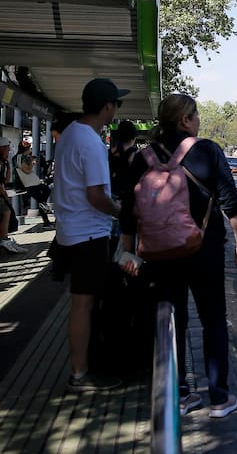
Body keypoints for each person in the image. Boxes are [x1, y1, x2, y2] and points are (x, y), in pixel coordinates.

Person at [118, 93, 237, 419]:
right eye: (196, 115)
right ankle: (219, 398)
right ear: (185, 120)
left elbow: (128, 211)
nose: (199, 120)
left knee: (171, 322)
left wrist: (126, 251)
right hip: (204, 250)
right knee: (213, 320)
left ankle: (180, 395)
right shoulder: (206, 151)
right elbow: (231, 202)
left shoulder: (142, 158)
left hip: (159, 254)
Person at [53, 77, 126, 392]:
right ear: (107, 107)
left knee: (83, 303)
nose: (116, 110)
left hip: (71, 231)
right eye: (116, 104)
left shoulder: (71, 133)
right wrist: (120, 210)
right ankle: (80, 374)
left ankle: (83, 366)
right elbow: (96, 196)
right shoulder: (91, 142)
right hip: (88, 236)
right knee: (83, 304)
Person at [14, 139, 54, 227]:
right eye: (29, 148)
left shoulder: (24, 157)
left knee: (44, 194)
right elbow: (26, 170)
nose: (30, 150)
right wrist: (32, 163)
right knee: (44, 195)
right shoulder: (20, 157)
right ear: (26, 148)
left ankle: (46, 220)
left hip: (33, 182)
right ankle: (46, 220)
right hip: (29, 183)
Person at [0, 137, 27, 254]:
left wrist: (8, 166)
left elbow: (5, 180)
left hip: (2, 191)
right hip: (1, 193)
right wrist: (3, 193)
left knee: (7, 212)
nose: (9, 149)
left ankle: (5, 239)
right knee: (6, 212)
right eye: (7, 147)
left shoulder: (3, 162)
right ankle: (4, 239)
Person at [108, 120, 138, 198]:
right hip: (127, 194)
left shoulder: (110, 152)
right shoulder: (134, 154)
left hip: (110, 191)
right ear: (133, 138)